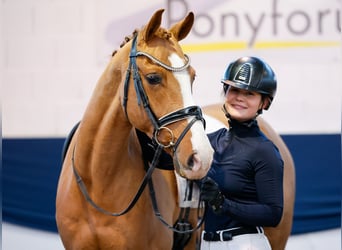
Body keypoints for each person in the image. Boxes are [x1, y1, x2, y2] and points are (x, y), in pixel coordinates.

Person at [198, 56, 284, 250]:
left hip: (245, 244)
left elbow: (273, 214)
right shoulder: (211, 141)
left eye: (250, 93)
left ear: (264, 103)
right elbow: (166, 160)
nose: (239, 98)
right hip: (206, 244)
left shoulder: (265, 150)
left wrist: (223, 204)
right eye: (234, 90)